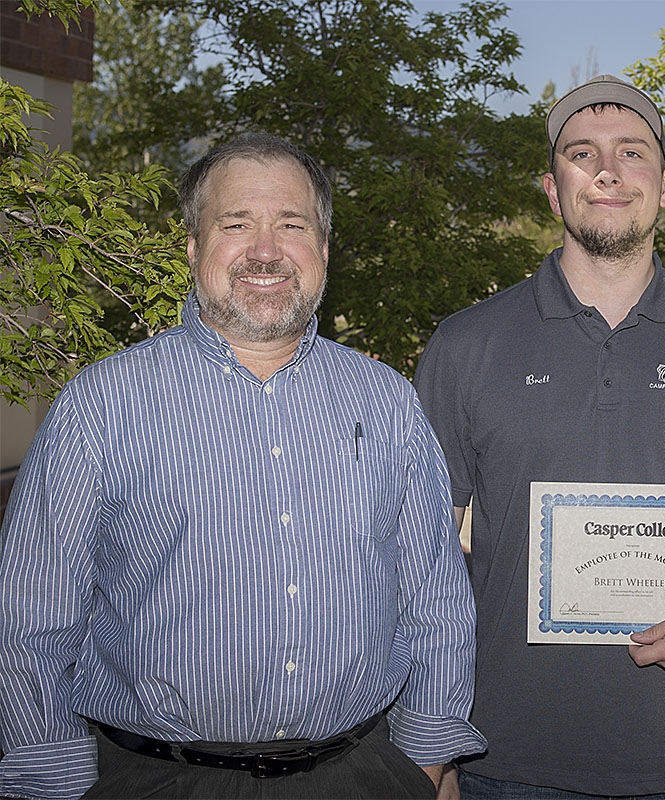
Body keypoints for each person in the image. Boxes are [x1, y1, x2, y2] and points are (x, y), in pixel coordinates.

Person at [0, 133, 485, 800]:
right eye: (236, 225)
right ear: (195, 247)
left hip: (361, 778)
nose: (265, 249)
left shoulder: (387, 402)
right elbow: (31, 622)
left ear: (321, 250)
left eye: (292, 224)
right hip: (157, 781)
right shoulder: (102, 405)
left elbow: (435, 597)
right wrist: (50, 780)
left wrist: (430, 755)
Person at [413, 74, 665, 798]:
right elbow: (422, 556)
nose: (607, 170)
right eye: (582, 153)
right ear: (552, 187)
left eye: (631, 152)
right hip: (504, 761)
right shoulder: (466, 345)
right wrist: (433, 744)